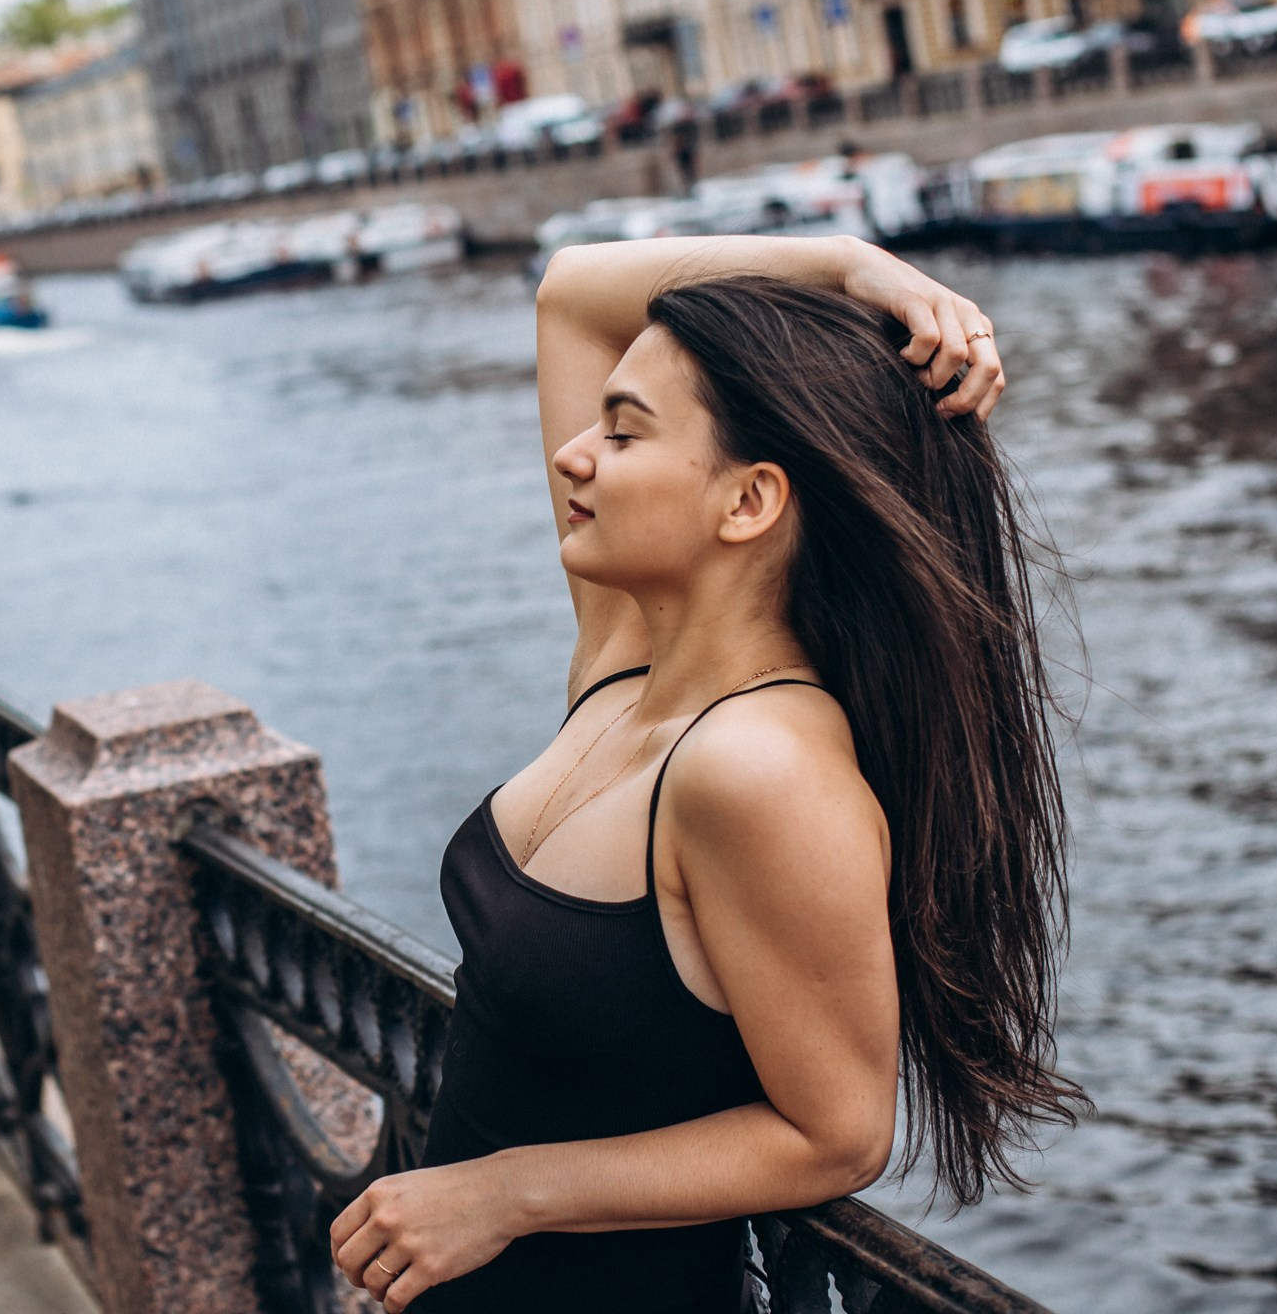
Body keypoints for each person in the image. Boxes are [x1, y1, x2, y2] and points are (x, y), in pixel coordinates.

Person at [330, 234, 1083, 1312]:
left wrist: (506, 1193)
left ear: (748, 503)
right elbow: (572, 290)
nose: (573, 454)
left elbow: (838, 1134)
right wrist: (853, 264)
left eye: (624, 432)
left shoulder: (760, 768)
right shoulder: (624, 665)